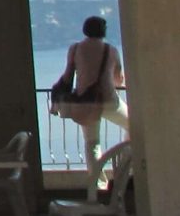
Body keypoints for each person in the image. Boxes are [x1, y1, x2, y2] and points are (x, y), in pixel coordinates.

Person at [51, 15, 125, 167]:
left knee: (92, 144)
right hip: (109, 101)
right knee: (134, 126)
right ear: (102, 30)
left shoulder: (75, 48)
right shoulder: (111, 50)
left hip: (86, 102)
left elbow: (68, 75)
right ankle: (125, 164)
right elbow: (119, 80)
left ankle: (97, 184)